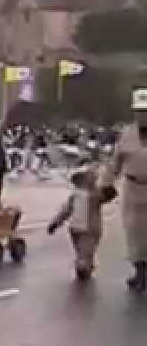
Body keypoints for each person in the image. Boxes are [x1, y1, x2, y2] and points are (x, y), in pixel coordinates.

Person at [99, 89, 147, 292]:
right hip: (133, 189)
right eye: (139, 112)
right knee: (134, 233)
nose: (142, 116)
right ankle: (140, 272)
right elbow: (115, 162)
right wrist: (106, 184)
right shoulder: (127, 135)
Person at [49, 164, 114, 281]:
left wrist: (109, 183)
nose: (83, 182)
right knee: (81, 252)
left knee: (84, 253)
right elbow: (66, 210)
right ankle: (86, 264)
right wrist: (55, 223)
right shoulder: (75, 196)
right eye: (81, 179)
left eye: (86, 178)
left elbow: (108, 195)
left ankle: (83, 267)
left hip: (89, 230)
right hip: (75, 229)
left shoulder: (95, 195)